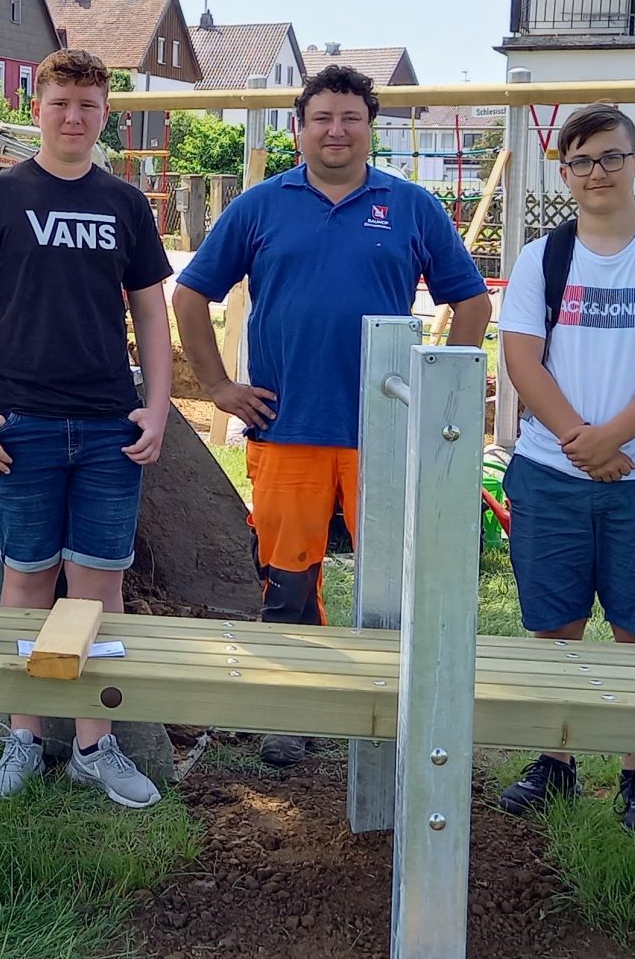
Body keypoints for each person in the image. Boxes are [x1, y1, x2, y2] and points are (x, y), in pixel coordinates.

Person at [172, 64, 492, 767]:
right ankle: (295, 711)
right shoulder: (259, 207)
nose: (336, 130)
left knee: (393, 584)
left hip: (388, 431)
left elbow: (471, 303)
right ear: (300, 129)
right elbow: (190, 297)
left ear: (369, 128)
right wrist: (219, 385)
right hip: (287, 428)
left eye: (350, 118)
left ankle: (390, 709)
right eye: (322, 118)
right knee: (288, 579)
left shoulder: (411, 207)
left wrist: (440, 392)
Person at [0, 48, 173, 809]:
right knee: (28, 579)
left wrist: (158, 403)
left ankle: (93, 746)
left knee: (98, 588)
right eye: (60, 103)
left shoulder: (127, 204)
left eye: (89, 106)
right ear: (36, 107)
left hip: (109, 424)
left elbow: (149, 310)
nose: (74, 118)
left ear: (106, 114)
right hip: (22, 422)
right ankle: (22, 735)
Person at [493, 105, 635, 835]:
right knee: (555, 626)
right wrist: (575, 439)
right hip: (549, 472)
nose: (597, 173)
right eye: (582, 161)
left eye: (611, 158)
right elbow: (522, 358)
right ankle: (555, 760)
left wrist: (608, 439)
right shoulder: (542, 259)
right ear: (564, 174)